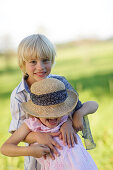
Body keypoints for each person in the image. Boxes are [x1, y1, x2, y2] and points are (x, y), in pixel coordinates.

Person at [7, 34, 98, 170]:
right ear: (23, 64)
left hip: (72, 160)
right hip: (39, 158)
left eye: (45, 60)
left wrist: (73, 118)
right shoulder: (19, 96)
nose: (40, 67)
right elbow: (17, 134)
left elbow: (80, 107)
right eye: (33, 62)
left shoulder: (59, 84)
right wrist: (38, 135)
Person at [1, 78, 98, 170]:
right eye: (47, 113)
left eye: (57, 111)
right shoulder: (32, 125)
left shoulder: (66, 117)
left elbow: (94, 104)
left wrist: (78, 114)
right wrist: (29, 151)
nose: (53, 117)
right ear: (37, 111)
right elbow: (5, 148)